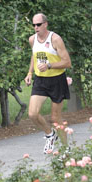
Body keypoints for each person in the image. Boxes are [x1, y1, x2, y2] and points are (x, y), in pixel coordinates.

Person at [24, 13, 71, 154]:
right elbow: (34, 55)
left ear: (45, 24)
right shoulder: (32, 40)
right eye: (33, 25)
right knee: (32, 114)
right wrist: (30, 73)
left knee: (55, 118)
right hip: (41, 80)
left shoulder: (55, 39)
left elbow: (67, 62)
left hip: (57, 80)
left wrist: (49, 65)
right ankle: (50, 135)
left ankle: (65, 149)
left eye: (38, 24)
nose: (36, 28)